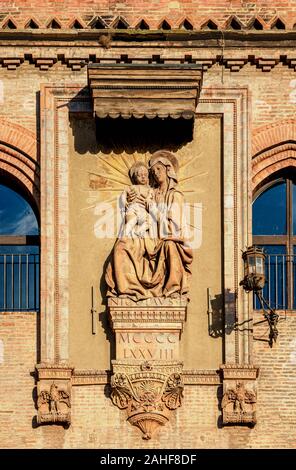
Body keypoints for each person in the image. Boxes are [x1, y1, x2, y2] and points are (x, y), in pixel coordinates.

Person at [105, 150, 193, 300]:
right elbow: (133, 202)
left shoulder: (175, 195)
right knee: (121, 246)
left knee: (170, 246)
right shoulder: (152, 192)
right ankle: (127, 291)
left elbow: (175, 228)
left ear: (168, 169)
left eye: (158, 169)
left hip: (165, 238)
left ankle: (172, 289)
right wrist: (127, 200)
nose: (155, 173)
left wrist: (154, 212)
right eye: (153, 171)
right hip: (146, 235)